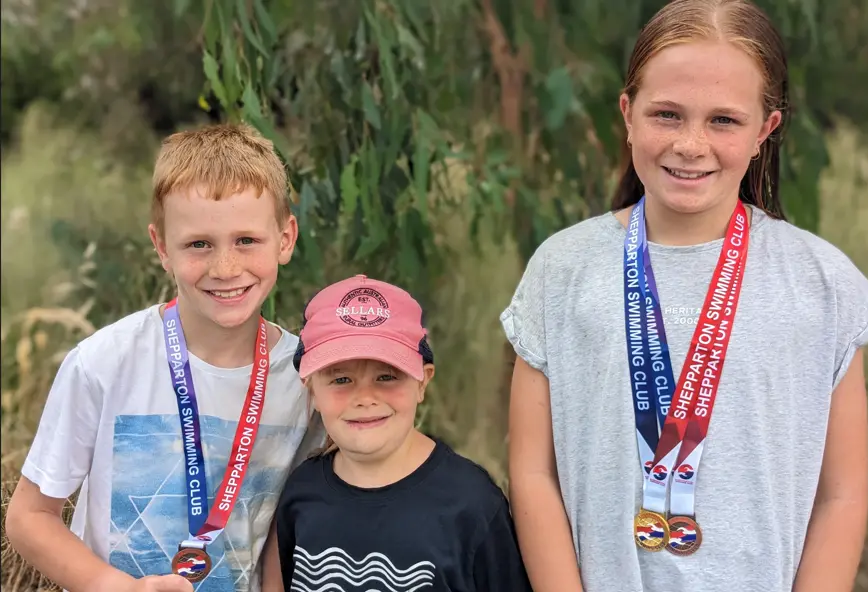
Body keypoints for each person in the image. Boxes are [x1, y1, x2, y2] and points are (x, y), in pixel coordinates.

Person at [501, 1, 868, 591]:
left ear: (765, 130)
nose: (690, 143)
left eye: (724, 121)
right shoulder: (563, 269)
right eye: (667, 115)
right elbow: (532, 473)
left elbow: (841, 495)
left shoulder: (821, 282)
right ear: (628, 115)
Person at [5, 123, 325, 592]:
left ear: (285, 238)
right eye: (199, 244)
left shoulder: (308, 375)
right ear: (161, 247)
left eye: (246, 240)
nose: (225, 268)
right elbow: (29, 516)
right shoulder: (103, 362)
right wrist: (119, 588)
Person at [260, 274, 533, 592]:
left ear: (422, 381)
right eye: (341, 380)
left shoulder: (472, 504)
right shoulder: (301, 493)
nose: (365, 397)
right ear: (310, 389)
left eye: (387, 376)